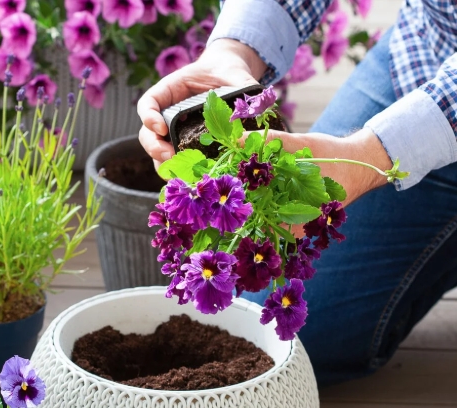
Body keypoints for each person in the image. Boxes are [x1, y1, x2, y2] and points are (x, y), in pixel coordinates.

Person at [137, 0, 457, 386]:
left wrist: (366, 155)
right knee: (263, 335)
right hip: (427, 56)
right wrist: (233, 51)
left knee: (286, 351)